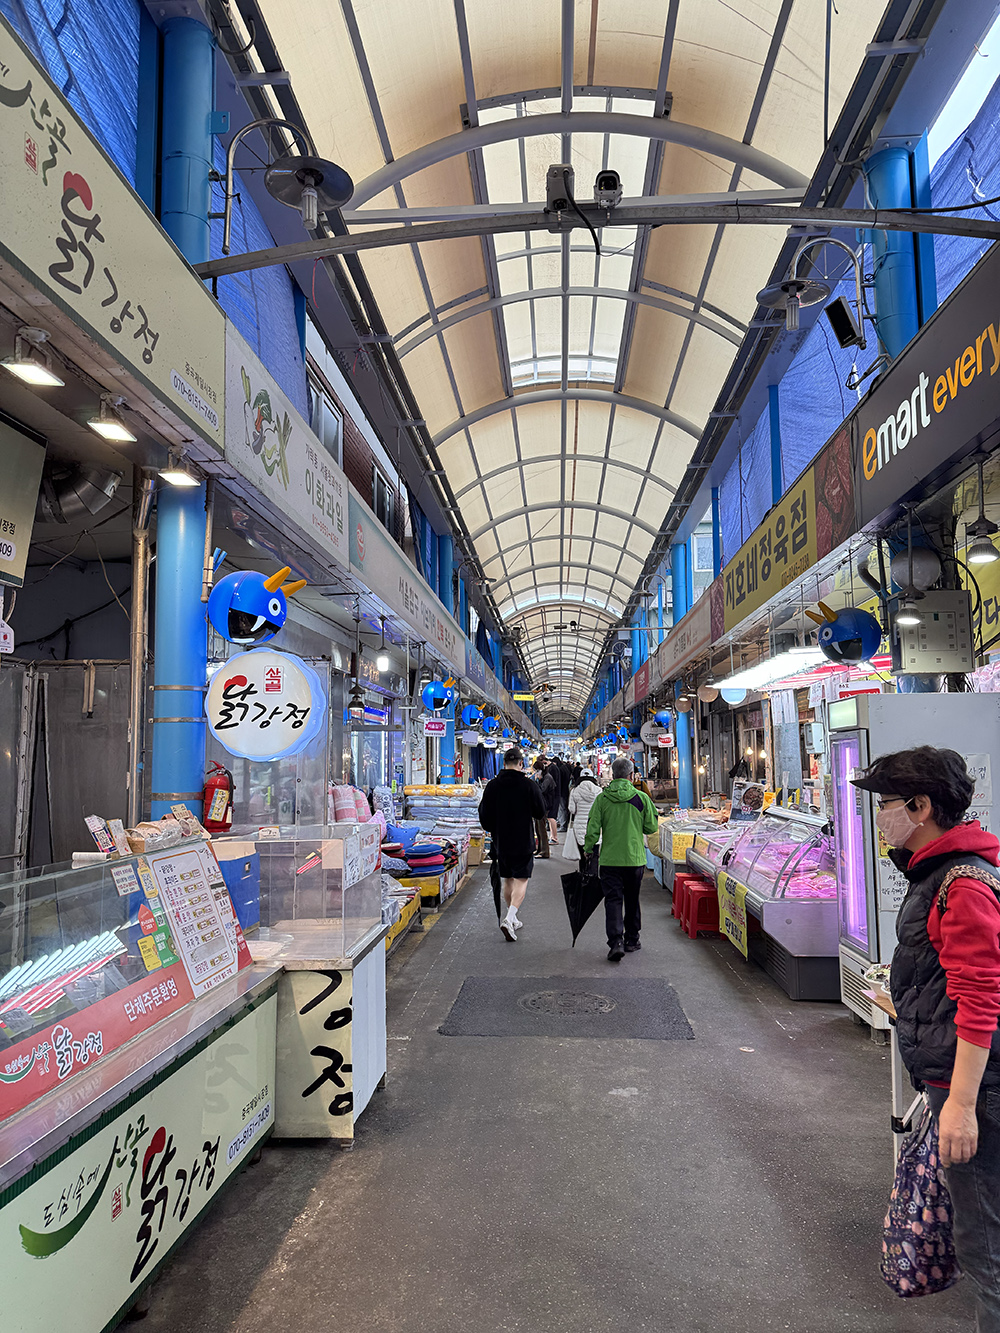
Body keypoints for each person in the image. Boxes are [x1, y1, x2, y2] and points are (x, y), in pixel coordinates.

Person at [851, 747, 1000, 1329]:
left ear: (920, 807)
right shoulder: (942, 874)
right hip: (959, 1081)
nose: (879, 816)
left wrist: (960, 1106)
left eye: (885, 804)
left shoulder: (960, 885)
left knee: (985, 1245)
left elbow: (982, 999)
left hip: (977, 1089)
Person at [584, 756, 658, 962]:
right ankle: (632, 939)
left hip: (609, 860)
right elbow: (651, 827)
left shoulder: (602, 798)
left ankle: (616, 942)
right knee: (632, 899)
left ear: (613, 776)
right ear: (631, 775)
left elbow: (592, 828)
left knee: (613, 900)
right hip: (634, 860)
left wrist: (588, 849)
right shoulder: (641, 798)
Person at [478, 747, 546, 942]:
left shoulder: (492, 786)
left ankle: (513, 917)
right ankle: (509, 918)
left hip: (501, 841)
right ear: (521, 763)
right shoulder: (529, 785)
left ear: (504, 763)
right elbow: (540, 812)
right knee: (522, 879)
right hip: (523, 840)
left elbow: (484, 815)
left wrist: (493, 828)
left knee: (507, 879)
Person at [566, 767, 602, 863]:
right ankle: (593, 875)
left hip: (579, 827)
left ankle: (583, 875)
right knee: (594, 854)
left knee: (582, 855)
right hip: (595, 825)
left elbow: (572, 810)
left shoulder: (575, 790)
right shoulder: (599, 791)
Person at [534, 756, 560, 847]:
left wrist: (537, 781)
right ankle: (553, 837)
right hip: (551, 799)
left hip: (551, 800)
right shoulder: (547, 775)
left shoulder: (548, 777)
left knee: (551, 818)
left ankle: (554, 838)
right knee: (550, 818)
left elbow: (542, 789)